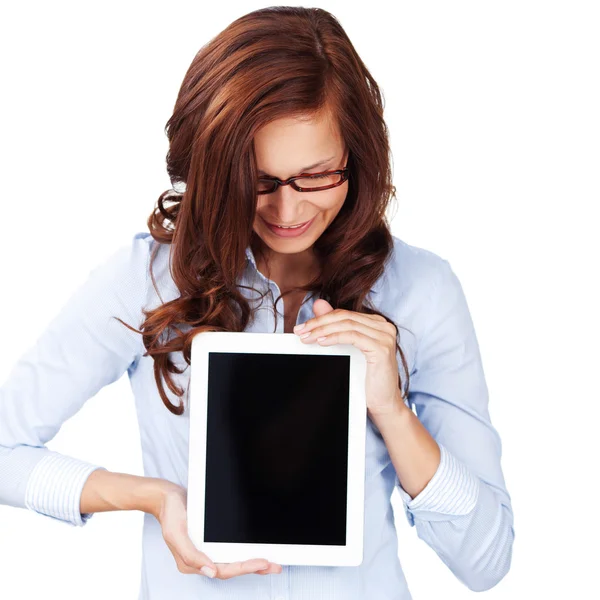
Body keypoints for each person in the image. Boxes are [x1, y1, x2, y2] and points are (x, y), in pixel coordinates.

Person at [0, 6, 514, 599]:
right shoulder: (145, 281)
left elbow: (487, 560)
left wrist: (392, 412)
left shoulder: (422, 289)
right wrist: (154, 497)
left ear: (358, 157)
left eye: (317, 176)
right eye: (257, 182)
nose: (287, 212)